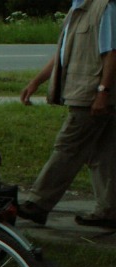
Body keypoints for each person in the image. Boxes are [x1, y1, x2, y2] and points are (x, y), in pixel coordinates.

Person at [17, 0, 116, 228]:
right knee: (103, 153)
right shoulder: (77, 8)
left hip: (91, 94)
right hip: (86, 93)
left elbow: (112, 53)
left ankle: (38, 204)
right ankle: (109, 210)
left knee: (68, 148)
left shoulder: (104, 7)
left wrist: (103, 92)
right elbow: (63, 53)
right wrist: (36, 82)